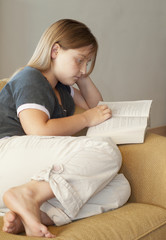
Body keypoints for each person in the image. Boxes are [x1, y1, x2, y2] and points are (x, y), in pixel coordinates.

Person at [0, 19, 131, 238]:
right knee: (105, 149)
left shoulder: (62, 88)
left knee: (119, 187)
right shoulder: (31, 78)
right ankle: (29, 195)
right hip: (6, 155)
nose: (83, 68)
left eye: (88, 62)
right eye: (79, 60)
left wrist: (82, 75)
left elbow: (95, 107)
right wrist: (86, 119)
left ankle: (35, 214)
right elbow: (38, 130)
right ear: (55, 51)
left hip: (23, 169)